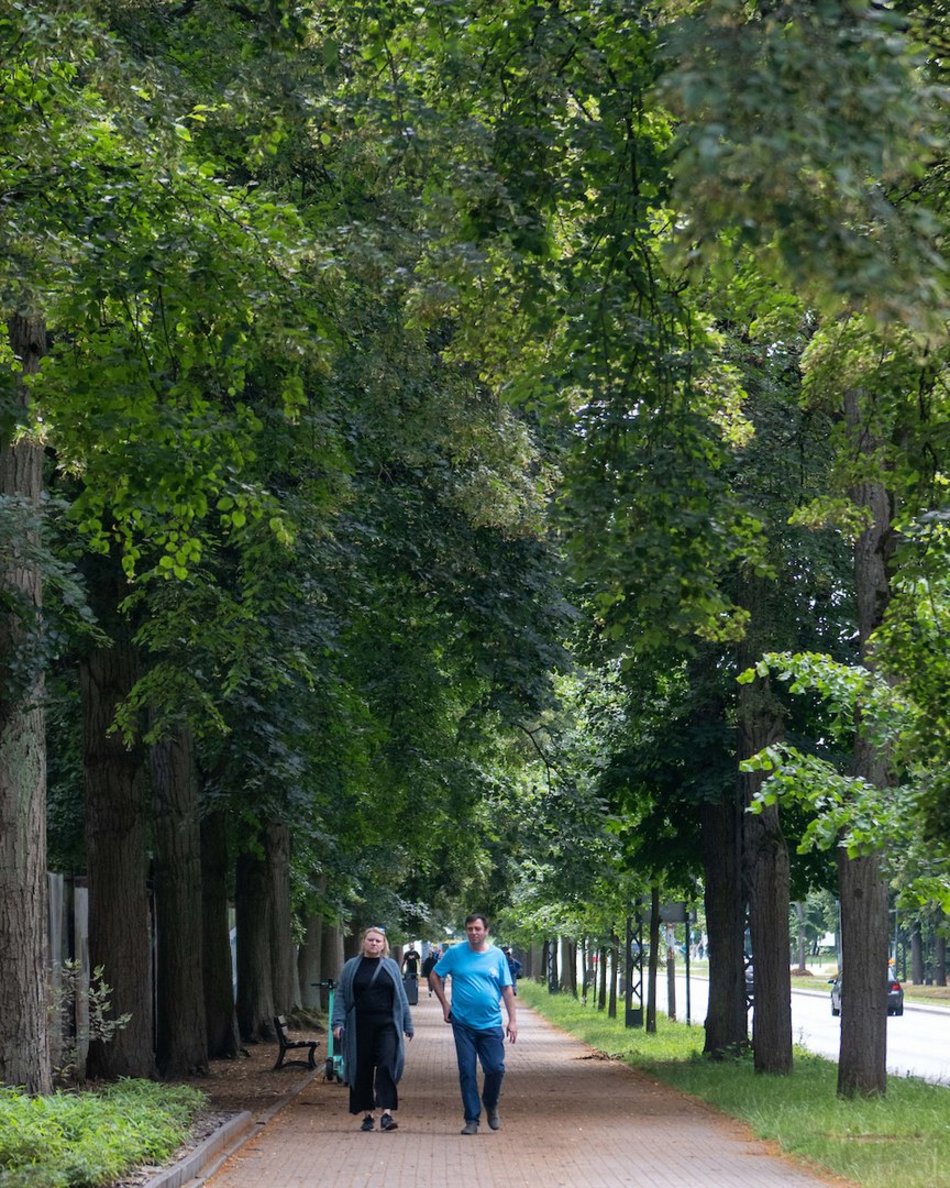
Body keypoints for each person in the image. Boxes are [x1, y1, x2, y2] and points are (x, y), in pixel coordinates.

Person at [429, 914, 517, 1135]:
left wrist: (513, 1020)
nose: (474, 933)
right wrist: (444, 1004)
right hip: (462, 1022)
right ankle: (472, 1119)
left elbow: (506, 988)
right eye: (470, 929)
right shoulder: (455, 953)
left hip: (490, 1023)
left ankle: (491, 1103)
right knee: (467, 1071)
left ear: (486, 931)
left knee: (495, 1068)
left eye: (478, 929)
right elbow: (434, 975)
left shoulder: (497, 956)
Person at [332, 926, 414, 1132]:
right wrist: (338, 1022)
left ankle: (387, 1114)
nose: (374, 944)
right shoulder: (351, 966)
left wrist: (407, 1023)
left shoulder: (391, 966)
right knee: (363, 1068)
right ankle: (367, 1114)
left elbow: (401, 997)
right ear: (363, 942)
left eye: (378, 941)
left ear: (383, 944)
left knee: (387, 1065)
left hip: (387, 1024)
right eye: (370, 940)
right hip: (359, 1025)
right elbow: (341, 995)